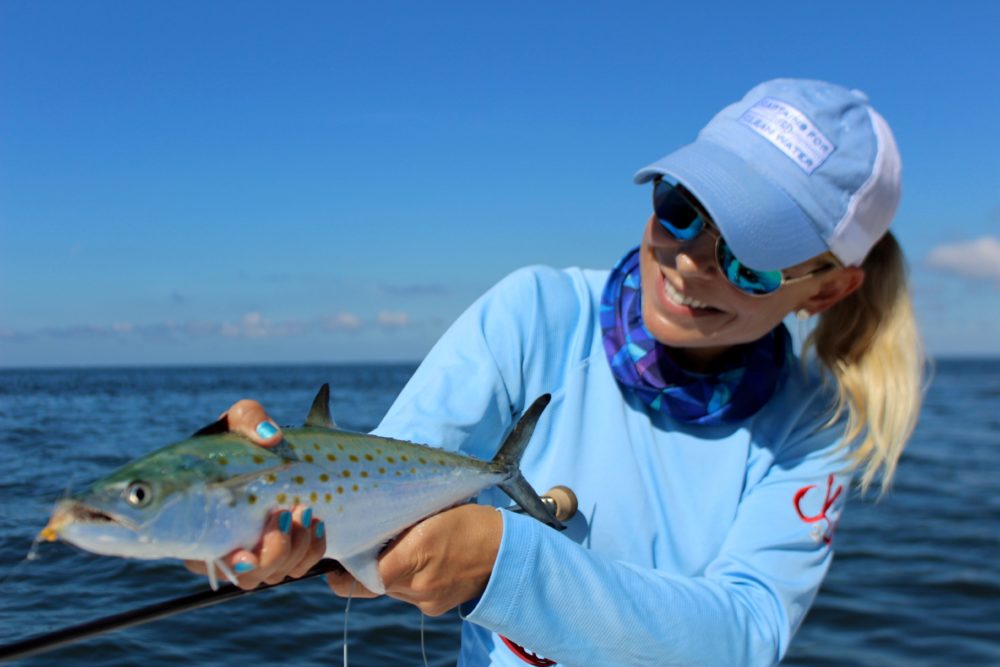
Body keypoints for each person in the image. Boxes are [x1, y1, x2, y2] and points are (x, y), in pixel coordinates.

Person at [190, 78, 925, 665]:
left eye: (751, 257)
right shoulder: (535, 312)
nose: (693, 259)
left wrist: (505, 565)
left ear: (826, 290)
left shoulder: (813, 425)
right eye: (682, 208)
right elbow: (381, 485)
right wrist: (244, 491)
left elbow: (745, 637)